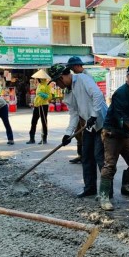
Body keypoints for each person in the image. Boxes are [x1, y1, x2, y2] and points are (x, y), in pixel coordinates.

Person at [48, 64, 107, 198]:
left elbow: (97, 95)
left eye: (57, 81)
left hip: (102, 123)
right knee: (86, 156)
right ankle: (90, 188)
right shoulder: (68, 93)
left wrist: (93, 115)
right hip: (89, 125)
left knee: (100, 157)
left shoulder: (83, 79)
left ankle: (106, 192)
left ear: (62, 77)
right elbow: (74, 114)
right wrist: (68, 134)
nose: (58, 85)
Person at [98, 63, 129, 211]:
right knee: (110, 165)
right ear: (126, 77)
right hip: (112, 132)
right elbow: (120, 116)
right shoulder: (120, 93)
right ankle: (104, 196)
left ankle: (127, 186)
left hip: (124, 133)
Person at [66, 56, 91, 164]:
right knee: (77, 133)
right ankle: (80, 155)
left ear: (77, 66)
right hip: (79, 111)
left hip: (87, 112)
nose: (72, 70)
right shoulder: (77, 77)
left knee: (86, 136)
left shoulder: (86, 76)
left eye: (72, 68)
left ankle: (87, 156)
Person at [26, 69, 52, 144]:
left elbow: (50, 96)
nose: (36, 80)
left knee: (44, 122)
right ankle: (32, 138)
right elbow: (37, 96)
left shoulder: (47, 86)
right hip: (37, 105)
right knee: (33, 121)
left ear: (40, 79)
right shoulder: (39, 85)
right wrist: (33, 103)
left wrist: (44, 95)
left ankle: (44, 138)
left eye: (37, 79)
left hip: (43, 106)